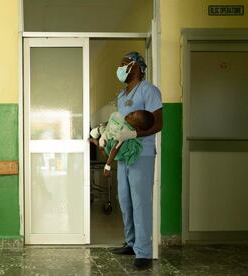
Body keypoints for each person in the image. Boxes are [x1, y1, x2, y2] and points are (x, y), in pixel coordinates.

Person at [100, 51, 163, 270]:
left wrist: (135, 135)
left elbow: (158, 124)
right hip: (124, 154)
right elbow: (120, 123)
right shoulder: (121, 94)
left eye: (123, 64)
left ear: (135, 66)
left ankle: (144, 253)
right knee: (124, 200)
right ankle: (131, 242)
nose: (120, 68)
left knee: (140, 202)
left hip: (142, 154)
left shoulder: (150, 91)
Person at [89, 110, 154, 177]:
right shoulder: (122, 119)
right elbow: (111, 124)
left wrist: (108, 165)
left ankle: (99, 145)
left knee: (106, 144)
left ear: (136, 127)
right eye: (132, 113)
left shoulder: (125, 133)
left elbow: (116, 148)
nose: (129, 116)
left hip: (116, 148)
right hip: (112, 135)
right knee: (105, 129)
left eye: (132, 118)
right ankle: (99, 139)